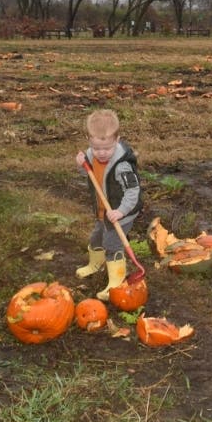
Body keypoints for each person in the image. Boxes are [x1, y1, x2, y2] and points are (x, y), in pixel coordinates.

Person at [74, 109, 142, 300]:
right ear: (89, 140)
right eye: (96, 148)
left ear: (117, 139)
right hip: (103, 210)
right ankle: (95, 264)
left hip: (122, 213)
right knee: (96, 238)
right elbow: (92, 175)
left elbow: (133, 192)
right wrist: (82, 164)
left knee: (112, 244)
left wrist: (121, 212)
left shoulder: (123, 165)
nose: (102, 153)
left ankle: (116, 281)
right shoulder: (91, 154)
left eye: (107, 149)